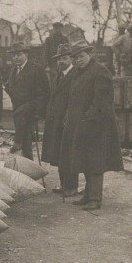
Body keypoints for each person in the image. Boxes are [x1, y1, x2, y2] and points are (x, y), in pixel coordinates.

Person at [60, 40, 124, 211]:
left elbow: (102, 102)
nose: (78, 60)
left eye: (81, 56)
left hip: (97, 125)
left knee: (95, 162)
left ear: (90, 55)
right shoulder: (78, 73)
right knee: (85, 160)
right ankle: (88, 195)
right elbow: (73, 98)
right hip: (81, 124)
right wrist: (69, 115)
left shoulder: (100, 72)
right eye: (75, 58)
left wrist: (87, 119)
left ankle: (95, 199)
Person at [41, 43, 78, 197]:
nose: (61, 62)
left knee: (69, 154)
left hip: (68, 119)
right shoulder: (58, 75)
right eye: (59, 59)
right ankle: (64, 184)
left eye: (64, 58)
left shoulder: (75, 75)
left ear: (71, 59)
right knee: (59, 153)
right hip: (57, 119)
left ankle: (72, 186)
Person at [5, 42, 50, 159]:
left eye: (19, 54)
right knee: (26, 140)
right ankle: (26, 160)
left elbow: (43, 93)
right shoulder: (13, 70)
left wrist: (38, 113)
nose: (16, 58)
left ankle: (18, 142)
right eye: (14, 55)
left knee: (24, 137)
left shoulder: (36, 69)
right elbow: (11, 88)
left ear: (26, 54)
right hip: (18, 109)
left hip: (31, 108)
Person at [44, 22, 68, 89]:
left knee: (64, 82)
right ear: (54, 29)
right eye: (56, 28)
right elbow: (45, 53)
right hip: (53, 65)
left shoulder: (65, 39)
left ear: (61, 29)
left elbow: (69, 51)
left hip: (64, 64)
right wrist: (47, 65)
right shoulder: (49, 40)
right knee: (54, 83)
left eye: (59, 28)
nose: (58, 30)